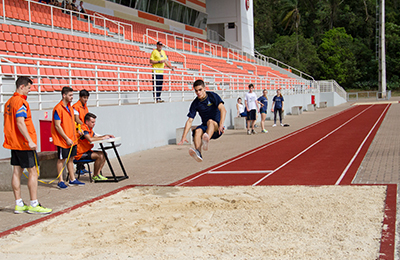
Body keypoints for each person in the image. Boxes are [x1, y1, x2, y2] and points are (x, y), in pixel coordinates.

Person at [3, 77, 52, 214]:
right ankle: (33, 203)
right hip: (24, 144)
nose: (30, 90)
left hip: (14, 143)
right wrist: (30, 140)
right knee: (33, 172)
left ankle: (19, 203)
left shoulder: (9, 102)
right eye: (29, 88)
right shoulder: (21, 102)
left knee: (17, 172)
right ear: (22, 86)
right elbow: (20, 122)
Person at [177, 79, 226, 162]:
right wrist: (184, 136)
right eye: (196, 91)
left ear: (204, 89)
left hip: (216, 128)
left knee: (210, 121)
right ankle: (198, 152)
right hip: (205, 127)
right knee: (198, 130)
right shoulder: (195, 103)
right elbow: (189, 121)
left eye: (200, 90)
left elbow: (223, 110)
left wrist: (221, 124)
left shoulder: (212, 96)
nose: (198, 93)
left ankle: (206, 139)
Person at [52, 86, 85, 189]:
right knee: (61, 159)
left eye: (72, 95)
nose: (72, 97)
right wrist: (66, 138)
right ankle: (60, 180)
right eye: (70, 95)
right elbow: (57, 125)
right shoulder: (58, 108)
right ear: (64, 95)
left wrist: (77, 130)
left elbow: (72, 122)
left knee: (70, 159)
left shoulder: (70, 108)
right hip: (63, 140)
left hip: (72, 138)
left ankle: (72, 179)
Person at [75, 113, 114, 181]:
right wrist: (103, 138)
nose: (94, 124)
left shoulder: (89, 129)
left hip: (87, 151)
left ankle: (98, 174)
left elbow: (96, 137)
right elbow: (90, 139)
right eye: (92, 122)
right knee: (100, 156)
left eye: (94, 122)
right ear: (87, 122)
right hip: (80, 153)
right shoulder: (83, 128)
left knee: (104, 154)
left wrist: (106, 136)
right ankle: (95, 175)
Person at [72, 89, 89, 175]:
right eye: (84, 97)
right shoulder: (76, 106)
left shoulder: (85, 106)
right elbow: (76, 118)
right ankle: (79, 168)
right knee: (79, 148)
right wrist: (82, 125)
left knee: (84, 147)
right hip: (79, 130)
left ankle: (82, 167)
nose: (86, 99)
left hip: (84, 128)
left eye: (87, 98)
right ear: (80, 97)